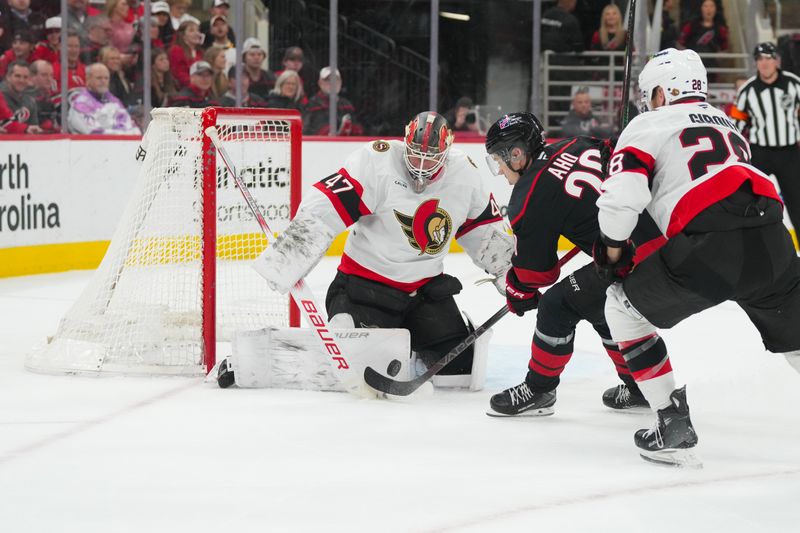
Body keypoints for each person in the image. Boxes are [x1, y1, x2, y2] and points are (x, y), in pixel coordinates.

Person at [594, 48, 800, 467]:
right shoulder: (728, 123)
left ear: (665, 92)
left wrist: (611, 252)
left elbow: (621, 202)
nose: (646, 100)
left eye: (650, 93)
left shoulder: (646, 123)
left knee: (621, 307)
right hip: (773, 240)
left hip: (710, 246)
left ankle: (671, 421)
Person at [228, 111, 514, 390]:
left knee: (461, 369)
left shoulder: (464, 173)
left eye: (431, 159)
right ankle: (241, 362)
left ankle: (411, 349)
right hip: (365, 291)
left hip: (424, 293)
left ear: (447, 151)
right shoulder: (377, 162)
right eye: (415, 155)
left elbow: (483, 229)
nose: (422, 166)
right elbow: (327, 207)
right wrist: (291, 252)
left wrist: (508, 269)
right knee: (355, 369)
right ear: (405, 142)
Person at [482, 112, 664, 417]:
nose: (499, 171)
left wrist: (517, 289)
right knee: (600, 300)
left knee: (558, 305)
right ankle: (639, 387)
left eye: (498, 161)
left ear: (516, 153)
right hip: (663, 241)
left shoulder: (527, 196)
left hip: (632, 260)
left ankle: (539, 390)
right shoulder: (576, 144)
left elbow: (539, 272)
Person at [729, 42, 800, 240]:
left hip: (790, 153)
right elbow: (735, 126)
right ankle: (748, 244)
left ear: (776, 60)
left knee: (797, 202)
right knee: (748, 199)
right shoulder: (748, 90)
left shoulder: (794, 84)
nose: (764, 63)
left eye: (768, 58)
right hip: (760, 153)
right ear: (756, 63)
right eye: (760, 59)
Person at [67, 62, 139, 134]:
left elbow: (129, 126)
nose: (103, 81)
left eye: (106, 78)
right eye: (99, 78)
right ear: (88, 79)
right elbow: (93, 132)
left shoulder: (115, 102)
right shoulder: (80, 104)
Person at [303, 66, 363, 135]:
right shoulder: (312, 104)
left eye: (335, 80)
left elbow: (358, 130)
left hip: (345, 144)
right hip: (319, 144)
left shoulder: (347, 105)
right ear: (320, 83)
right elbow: (306, 130)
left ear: (341, 82)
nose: (332, 83)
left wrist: (352, 130)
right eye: (328, 80)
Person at [0, 60, 41, 134]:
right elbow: (5, 123)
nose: (21, 80)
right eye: (17, 76)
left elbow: (34, 129)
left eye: (25, 77)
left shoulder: (30, 101)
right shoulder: (1, 96)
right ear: (8, 77)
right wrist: (25, 128)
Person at [168, 18, 203, 89]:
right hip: (184, 90)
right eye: (191, 30)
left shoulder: (200, 52)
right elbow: (179, 75)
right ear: (183, 35)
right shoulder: (176, 50)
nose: (197, 33)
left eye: (198, 30)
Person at [27, 59, 58, 131]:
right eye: (44, 75)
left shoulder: (51, 97)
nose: (49, 79)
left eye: (51, 75)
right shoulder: (25, 98)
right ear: (32, 77)